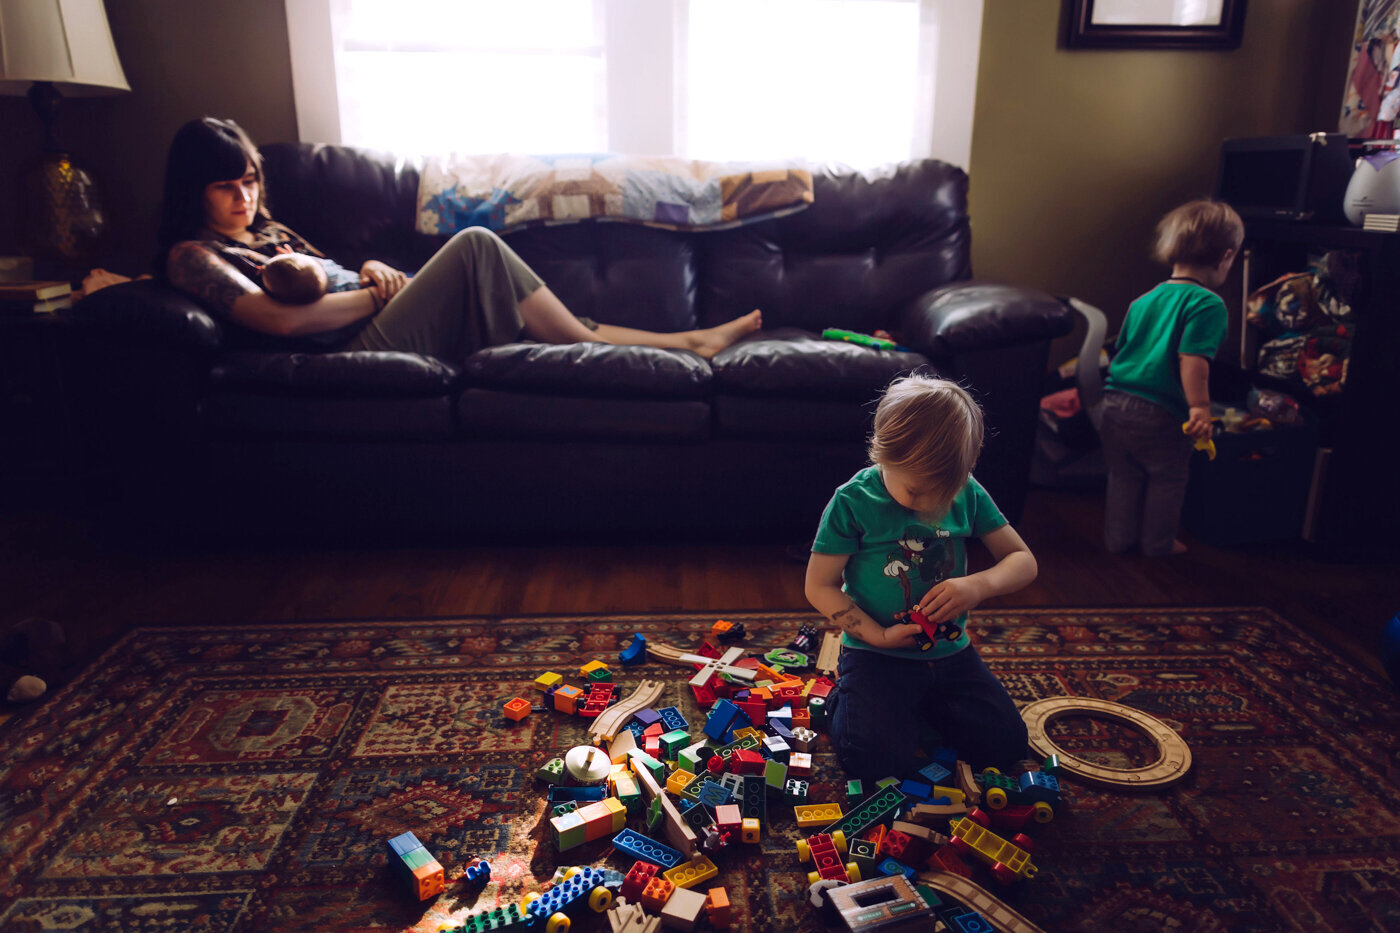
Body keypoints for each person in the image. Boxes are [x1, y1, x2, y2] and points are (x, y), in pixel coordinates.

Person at [123, 117, 762, 358]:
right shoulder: (194, 256)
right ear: (191, 191)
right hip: (354, 343)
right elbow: (283, 324)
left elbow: (330, 270)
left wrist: (372, 265)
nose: (245, 198)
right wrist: (376, 297)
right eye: (225, 188)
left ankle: (685, 341)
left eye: (251, 182)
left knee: (545, 314)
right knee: (478, 245)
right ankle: (669, 344)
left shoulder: (268, 229)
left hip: (372, 309)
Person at [805, 375, 1039, 781]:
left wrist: (978, 585)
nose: (930, 503)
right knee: (872, 764)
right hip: (875, 653)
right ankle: (845, 698)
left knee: (1007, 747)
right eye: (916, 492)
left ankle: (921, 704)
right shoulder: (853, 501)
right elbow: (819, 586)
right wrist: (876, 635)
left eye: (942, 492)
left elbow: (1022, 560)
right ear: (883, 453)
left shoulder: (967, 490)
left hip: (949, 652)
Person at [1100, 198, 1243, 557]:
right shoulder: (1208, 304)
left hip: (1114, 404)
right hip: (1160, 410)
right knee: (1168, 477)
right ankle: (1157, 544)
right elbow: (1193, 360)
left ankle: (1118, 540)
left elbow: (1123, 351)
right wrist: (1199, 407)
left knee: (1124, 476)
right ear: (1225, 257)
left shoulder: (1144, 300)